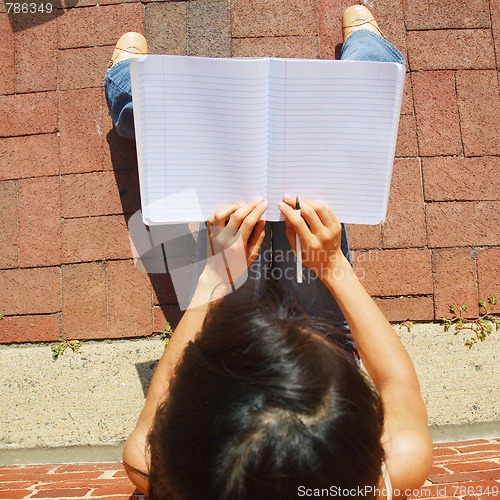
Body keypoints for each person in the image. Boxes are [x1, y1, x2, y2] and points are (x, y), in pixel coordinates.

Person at [105, 5, 432, 498]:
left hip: (253, 341)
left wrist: (217, 278)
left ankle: (134, 96)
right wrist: (330, 266)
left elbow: (397, 392)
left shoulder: (162, 471)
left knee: (233, 192)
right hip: (261, 345)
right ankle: (365, 58)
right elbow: (400, 386)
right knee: (306, 181)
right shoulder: (374, 482)